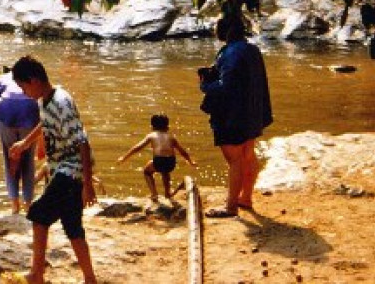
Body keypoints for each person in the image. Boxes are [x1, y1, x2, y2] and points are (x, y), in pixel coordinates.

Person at [8, 55, 98, 284]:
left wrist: (88, 186)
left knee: (39, 215)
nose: (24, 92)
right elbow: (45, 123)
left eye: (23, 86)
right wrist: (25, 143)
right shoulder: (44, 100)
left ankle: (36, 274)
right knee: (72, 226)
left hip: (71, 170)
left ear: (34, 80)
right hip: (62, 169)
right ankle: (90, 279)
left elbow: (83, 143)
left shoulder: (62, 102)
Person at [199, 13, 273, 218]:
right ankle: (245, 198)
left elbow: (226, 87)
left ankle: (230, 207)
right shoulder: (252, 49)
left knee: (235, 161)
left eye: (217, 27)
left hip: (234, 116)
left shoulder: (230, 53)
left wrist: (205, 85)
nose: (215, 31)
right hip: (252, 113)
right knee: (248, 155)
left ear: (225, 31)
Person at [117, 114, 196, 204]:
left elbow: (138, 147)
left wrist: (124, 157)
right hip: (171, 162)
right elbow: (182, 151)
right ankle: (167, 193)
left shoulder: (151, 135)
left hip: (159, 161)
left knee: (147, 171)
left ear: (152, 126)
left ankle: (154, 194)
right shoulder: (171, 137)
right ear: (167, 126)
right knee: (165, 171)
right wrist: (190, 161)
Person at [0, 88, 41, 215]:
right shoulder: (31, 80)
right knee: (28, 161)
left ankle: (15, 204)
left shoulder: (2, 79)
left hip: (5, 113)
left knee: (9, 159)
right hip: (29, 112)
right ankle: (28, 204)